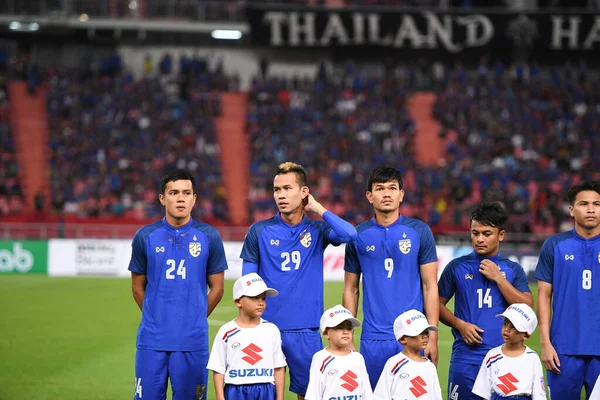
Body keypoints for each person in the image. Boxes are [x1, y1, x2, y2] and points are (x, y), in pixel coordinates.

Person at [240, 161, 357, 399]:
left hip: (306, 331)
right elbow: (247, 284)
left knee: (309, 394)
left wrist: (317, 208)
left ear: (304, 192)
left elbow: (350, 234)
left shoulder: (317, 230)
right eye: (276, 189)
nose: (280, 195)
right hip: (267, 331)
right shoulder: (259, 231)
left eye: (287, 188)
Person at [128, 169, 228, 400]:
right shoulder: (145, 236)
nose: (180, 198)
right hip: (152, 341)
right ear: (162, 198)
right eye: (173, 192)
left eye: (186, 193)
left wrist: (195, 317)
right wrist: (157, 317)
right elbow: (136, 287)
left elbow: (218, 288)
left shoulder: (209, 236)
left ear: (194, 199)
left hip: (192, 341)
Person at [342, 166, 439, 390]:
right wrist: (348, 336)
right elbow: (351, 289)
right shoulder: (358, 235)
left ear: (401, 194)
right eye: (380, 188)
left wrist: (431, 337)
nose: (387, 194)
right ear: (369, 196)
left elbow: (430, 286)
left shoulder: (419, 231)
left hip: (413, 335)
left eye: (392, 188)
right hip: (373, 338)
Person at [438, 202, 533, 400]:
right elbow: (435, 304)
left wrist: (498, 278)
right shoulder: (457, 267)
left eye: (487, 233)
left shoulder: (512, 269)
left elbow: (527, 306)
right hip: (465, 359)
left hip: (504, 358)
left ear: (501, 235)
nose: (479, 239)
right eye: (475, 233)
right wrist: (459, 324)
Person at [534, 180, 600, 398]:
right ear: (571, 210)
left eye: (597, 204)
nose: (591, 209)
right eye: (583, 203)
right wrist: (545, 342)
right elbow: (543, 296)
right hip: (562, 351)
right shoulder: (554, 245)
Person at [207, 272, 286, 400]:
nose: (261, 303)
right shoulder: (226, 332)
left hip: (265, 390)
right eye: (255, 298)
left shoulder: (271, 330)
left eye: (263, 298)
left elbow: (279, 368)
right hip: (235, 390)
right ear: (238, 302)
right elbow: (218, 369)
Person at [472, 303, 546, 400]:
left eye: (513, 326)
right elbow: (483, 392)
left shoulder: (532, 358)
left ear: (526, 335)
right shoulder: (492, 356)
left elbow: (539, 394)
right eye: (505, 323)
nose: (506, 329)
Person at [305, 305, 373, 400]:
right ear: (326, 333)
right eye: (340, 328)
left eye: (349, 328)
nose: (346, 332)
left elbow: (366, 390)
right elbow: (314, 392)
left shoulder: (358, 358)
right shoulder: (320, 358)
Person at [373, 309, 442, 400]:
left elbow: (436, 395)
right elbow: (381, 395)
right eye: (419, 332)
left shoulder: (430, 366)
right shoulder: (394, 364)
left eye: (426, 332)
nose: (425, 336)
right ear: (403, 339)